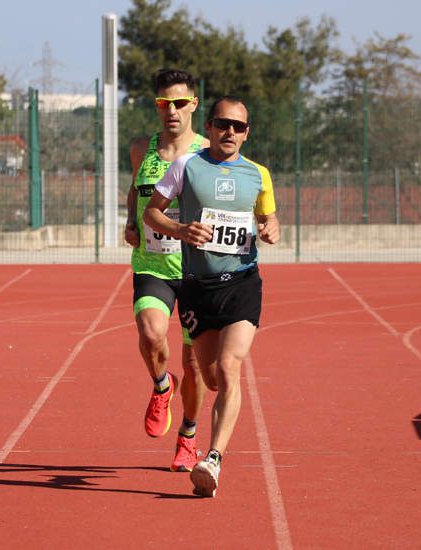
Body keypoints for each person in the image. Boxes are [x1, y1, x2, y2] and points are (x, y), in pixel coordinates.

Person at [143, 95, 280, 497]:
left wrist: (272, 228)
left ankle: (213, 459)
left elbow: (268, 217)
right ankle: (194, 424)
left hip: (241, 283)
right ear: (210, 126)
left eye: (239, 127)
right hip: (196, 288)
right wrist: (181, 230)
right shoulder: (187, 165)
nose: (230, 133)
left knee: (230, 364)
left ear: (247, 133)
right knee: (212, 378)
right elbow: (153, 213)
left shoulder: (259, 175)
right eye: (223, 124)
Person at [124, 68, 209, 472]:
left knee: (195, 366)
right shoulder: (142, 148)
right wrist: (130, 220)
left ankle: (189, 437)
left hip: (197, 271)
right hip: (152, 264)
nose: (171, 111)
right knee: (150, 333)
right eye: (163, 103)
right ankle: (162, 386)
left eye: (179, 103)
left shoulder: (211, 153)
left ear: (193, 104)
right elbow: (135, 189)